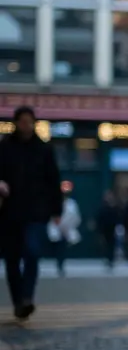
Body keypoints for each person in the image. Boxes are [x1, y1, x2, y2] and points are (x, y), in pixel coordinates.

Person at [0, 106, 63, 321]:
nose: (26, 125)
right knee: (11, 259)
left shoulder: (44, 150)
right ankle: (18, 300)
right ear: (16, 122)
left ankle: (27, 297)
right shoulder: (5, 147)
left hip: (36, 211)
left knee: (32, 252)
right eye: (22, 121)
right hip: (9, 211)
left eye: (30, 121)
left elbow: (54, 180)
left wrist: (56, 209)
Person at [47, 181, 81, 277]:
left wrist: (68, 226)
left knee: (63, 249)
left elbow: (75, 217)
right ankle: (59, 264)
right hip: (56, 230)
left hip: (67, 230)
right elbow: (51, 217)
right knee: (57, 248)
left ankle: (61, 265)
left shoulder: (72, 204)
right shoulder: (54, 203)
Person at [96, 191, 122, 270]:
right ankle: (108, 259)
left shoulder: (115, 208)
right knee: (106, 245)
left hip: (113, 230)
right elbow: (100, 219)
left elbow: (118, 218)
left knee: (112, 245)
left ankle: (111, 259)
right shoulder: (103, 208)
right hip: (105, 230)